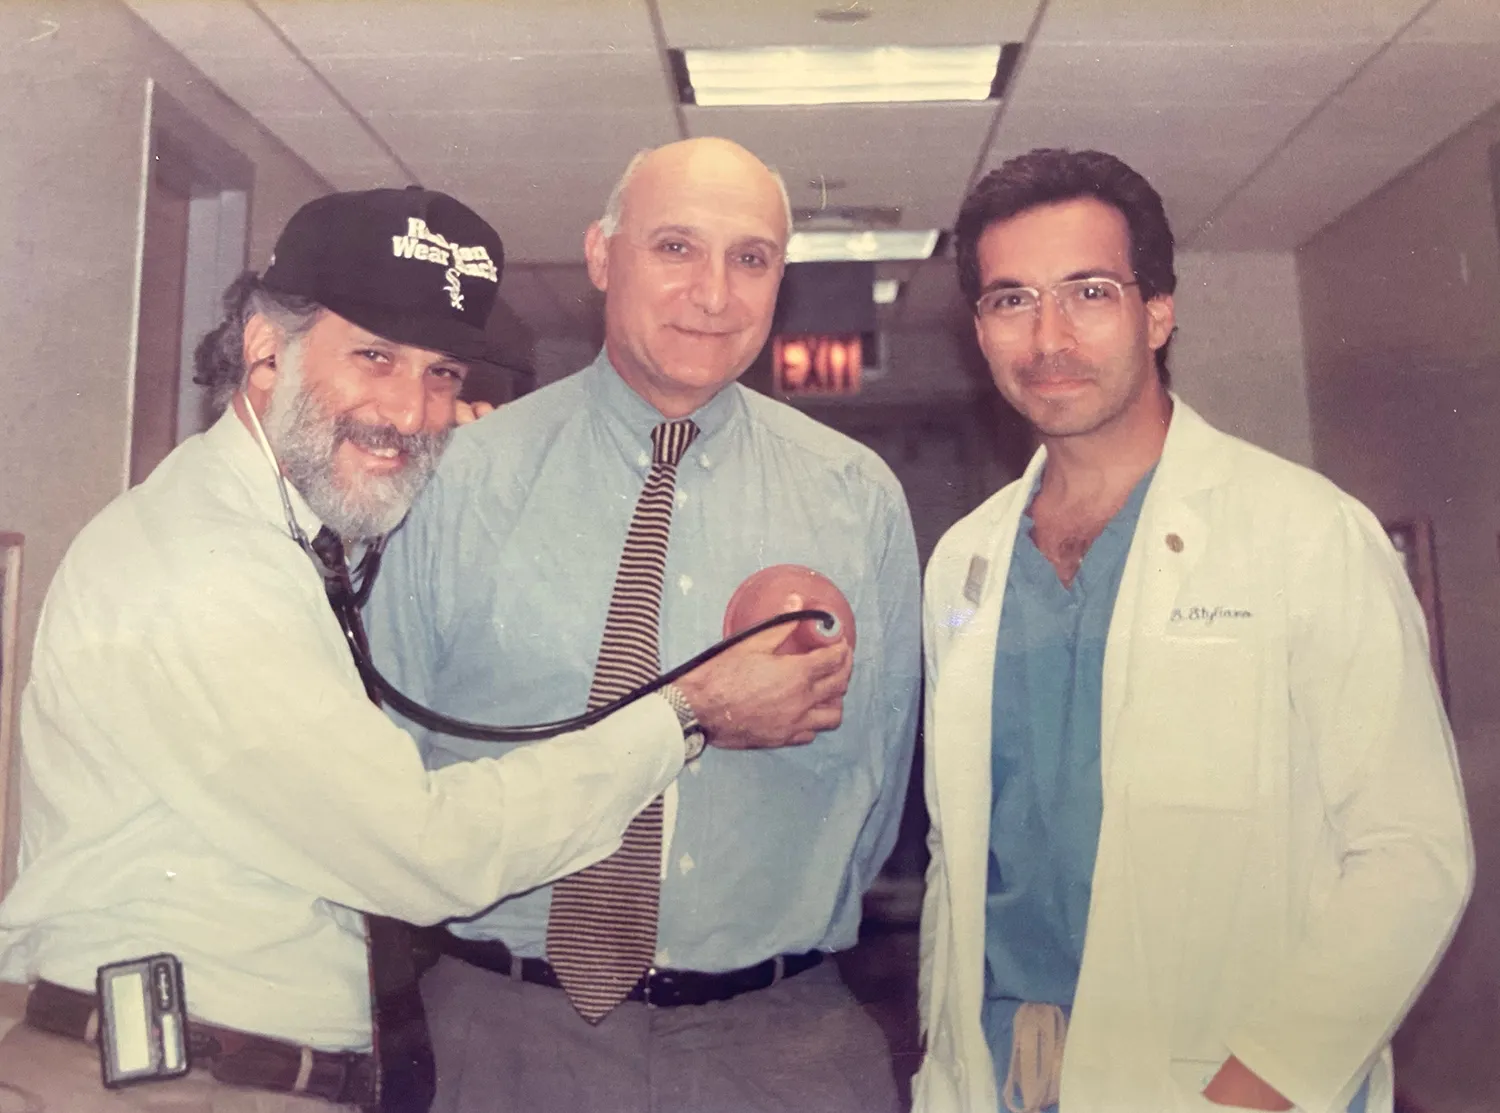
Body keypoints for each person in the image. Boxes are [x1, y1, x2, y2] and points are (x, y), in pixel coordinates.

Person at [0, 186, 848, 1113]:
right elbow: (424, 852)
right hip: (162, 1083)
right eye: (374, 356)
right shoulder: (205, 567)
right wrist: (688, 712)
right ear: (263, 349)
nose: (412, 412)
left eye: (441, 374)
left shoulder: (285, 536)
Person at [366, 137, 922, 1113]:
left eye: (750, 258)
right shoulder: (457, 481)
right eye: (676, 247)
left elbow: (877, 796)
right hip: (505, 1039)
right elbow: (387, 780)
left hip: (784, 1045)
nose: (714, 292)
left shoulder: (854, 498)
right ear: (600, 255)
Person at [914, 148, 1473, 1113]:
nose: (1049, 335)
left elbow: (1411, 852)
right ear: (980, 329)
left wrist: (1258, 1089)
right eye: (1012, 300)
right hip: (1007, 1073)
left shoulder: (1305, 531)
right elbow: (960, 859)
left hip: (1236, 1084)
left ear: (1158, 310)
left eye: (1088, 291)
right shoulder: (966, 558)